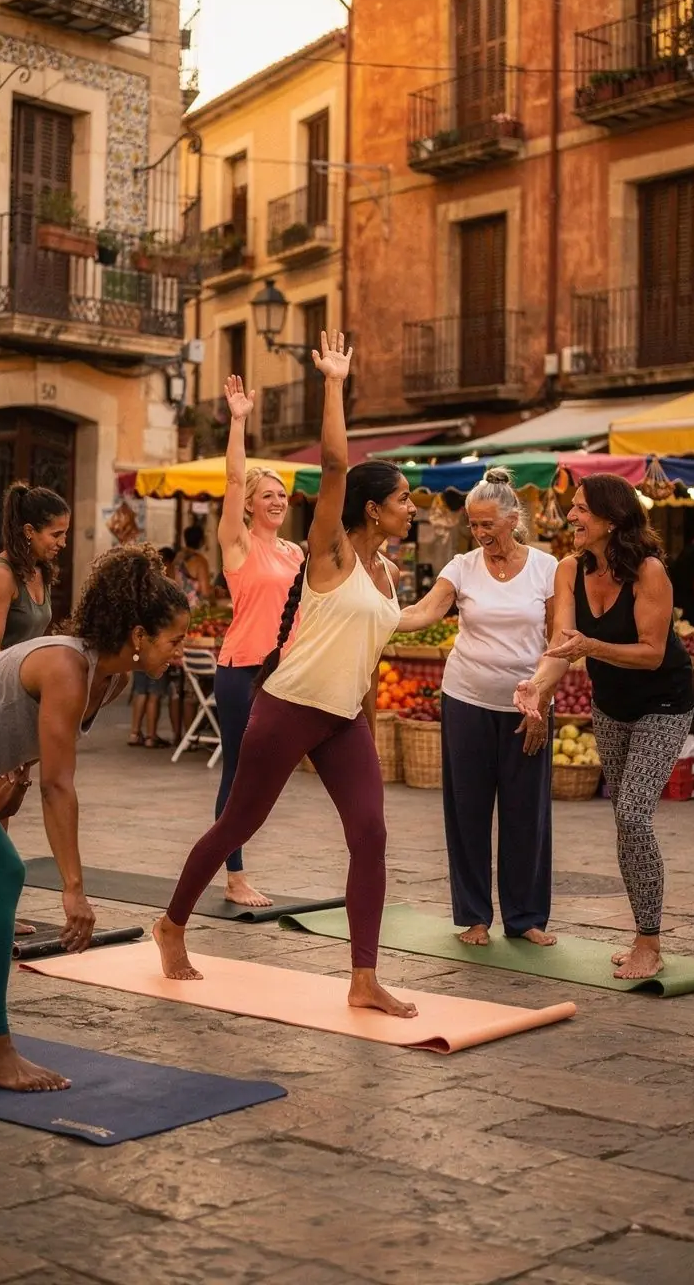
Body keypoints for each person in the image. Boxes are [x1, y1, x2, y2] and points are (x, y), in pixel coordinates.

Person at [152, 332, 419, 1018]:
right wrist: (333, 381)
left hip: (341, 717)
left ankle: (363, 977)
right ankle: (172, 924)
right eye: (403, 499)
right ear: (370, 508)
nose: (411, 508)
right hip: (286, 702)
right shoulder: (324, 549)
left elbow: (387, 631)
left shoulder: (383, 569)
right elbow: (334, 466)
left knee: (372, 832)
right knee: (236, 823)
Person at [0, 544, 189, 1091]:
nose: (180, 651)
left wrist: (12, 779)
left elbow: (35, 746)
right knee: (1, 873)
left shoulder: (111, 678)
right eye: (174, 639)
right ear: (138, 634)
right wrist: (73, 890)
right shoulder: (67, 666)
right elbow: (61, 786)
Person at [515, 474, 694, 981]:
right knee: (623, 817)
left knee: (634, 814)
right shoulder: (568, 570)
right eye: (572, 508)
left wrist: (590, 649)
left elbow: (652, 652)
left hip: (665, 700)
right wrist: (537, 688)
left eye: (580, 509)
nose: (570, 516)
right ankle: (643, 929)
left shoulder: (649, 571)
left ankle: (649, 941)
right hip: (611, 705)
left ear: (611, 520)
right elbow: (562, 645)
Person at [397, 467, 558, 948]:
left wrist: (542, 703)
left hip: (526, 707)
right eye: (474, 524)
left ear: (513, 519)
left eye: (488, 524)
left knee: (525, 811)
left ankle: (525, 916)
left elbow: (558, 641)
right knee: (466, 809)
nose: (480, 533)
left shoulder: (546, 568)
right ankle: (473, 916)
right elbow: (425, 612)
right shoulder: (461, 567)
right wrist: (374, 615)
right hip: (466, 697)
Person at [0, 481, 71, 938]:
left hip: (18, 695)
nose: (62, 543)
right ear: (28, 531)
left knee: (2, 809)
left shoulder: (39, 574)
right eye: (55, 535)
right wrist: (10, 717)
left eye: (65, 534)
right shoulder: (0, 574)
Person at [213, 374, 304, 907]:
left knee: (267, 772)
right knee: (238, 769)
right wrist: (239, 420)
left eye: (283, 494)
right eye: (267, 494)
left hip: (283, 676)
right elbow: (231, 480)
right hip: (241, 671)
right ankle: (234, 873)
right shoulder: (239, 543)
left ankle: (232, 857)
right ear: (248, 504)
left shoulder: (294, 553)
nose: (278, 500)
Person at [128, 546, 180, 748]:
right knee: (154, 691)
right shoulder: (165, 589)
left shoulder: (140, 588)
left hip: (139, 645)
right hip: (156, 645)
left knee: (141, 689)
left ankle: (134, 732)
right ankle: (150, 735)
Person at [174, 524, 211, 608]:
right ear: (201, 540)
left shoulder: (178, 558)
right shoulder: (200, 561)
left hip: (178, 607)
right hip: (194, 609)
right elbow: (205, 592)